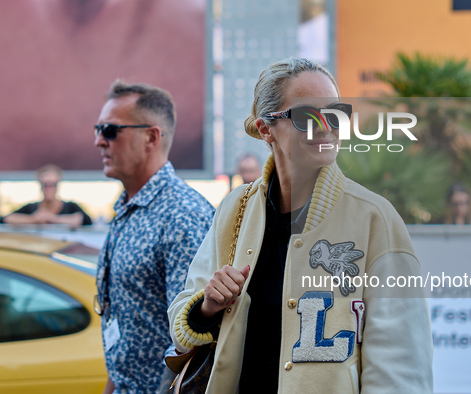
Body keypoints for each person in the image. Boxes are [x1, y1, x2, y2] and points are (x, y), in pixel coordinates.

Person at [168, 58, 433, 393]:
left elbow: (402, 365)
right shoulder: (235, 209)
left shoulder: (374, 218)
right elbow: (180, 322)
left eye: (336, 114)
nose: (325, 127)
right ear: (266, 129)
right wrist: (207, 306)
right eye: (307, 116)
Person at [93, 80, 215, 394]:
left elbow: (194, 342)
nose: (98, 141)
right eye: (98, 129)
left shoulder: (182, 215)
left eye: (109, 130)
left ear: (151, 136)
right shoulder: (128, 208)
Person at [3, 164, 92, 227]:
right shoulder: (31, 208)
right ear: (40, 185)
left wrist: (53, 219)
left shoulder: (70, 207)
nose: (50, 188)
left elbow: (86, 220)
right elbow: (7, 219)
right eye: (46, 184)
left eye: (53, 184)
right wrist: (33, 219)